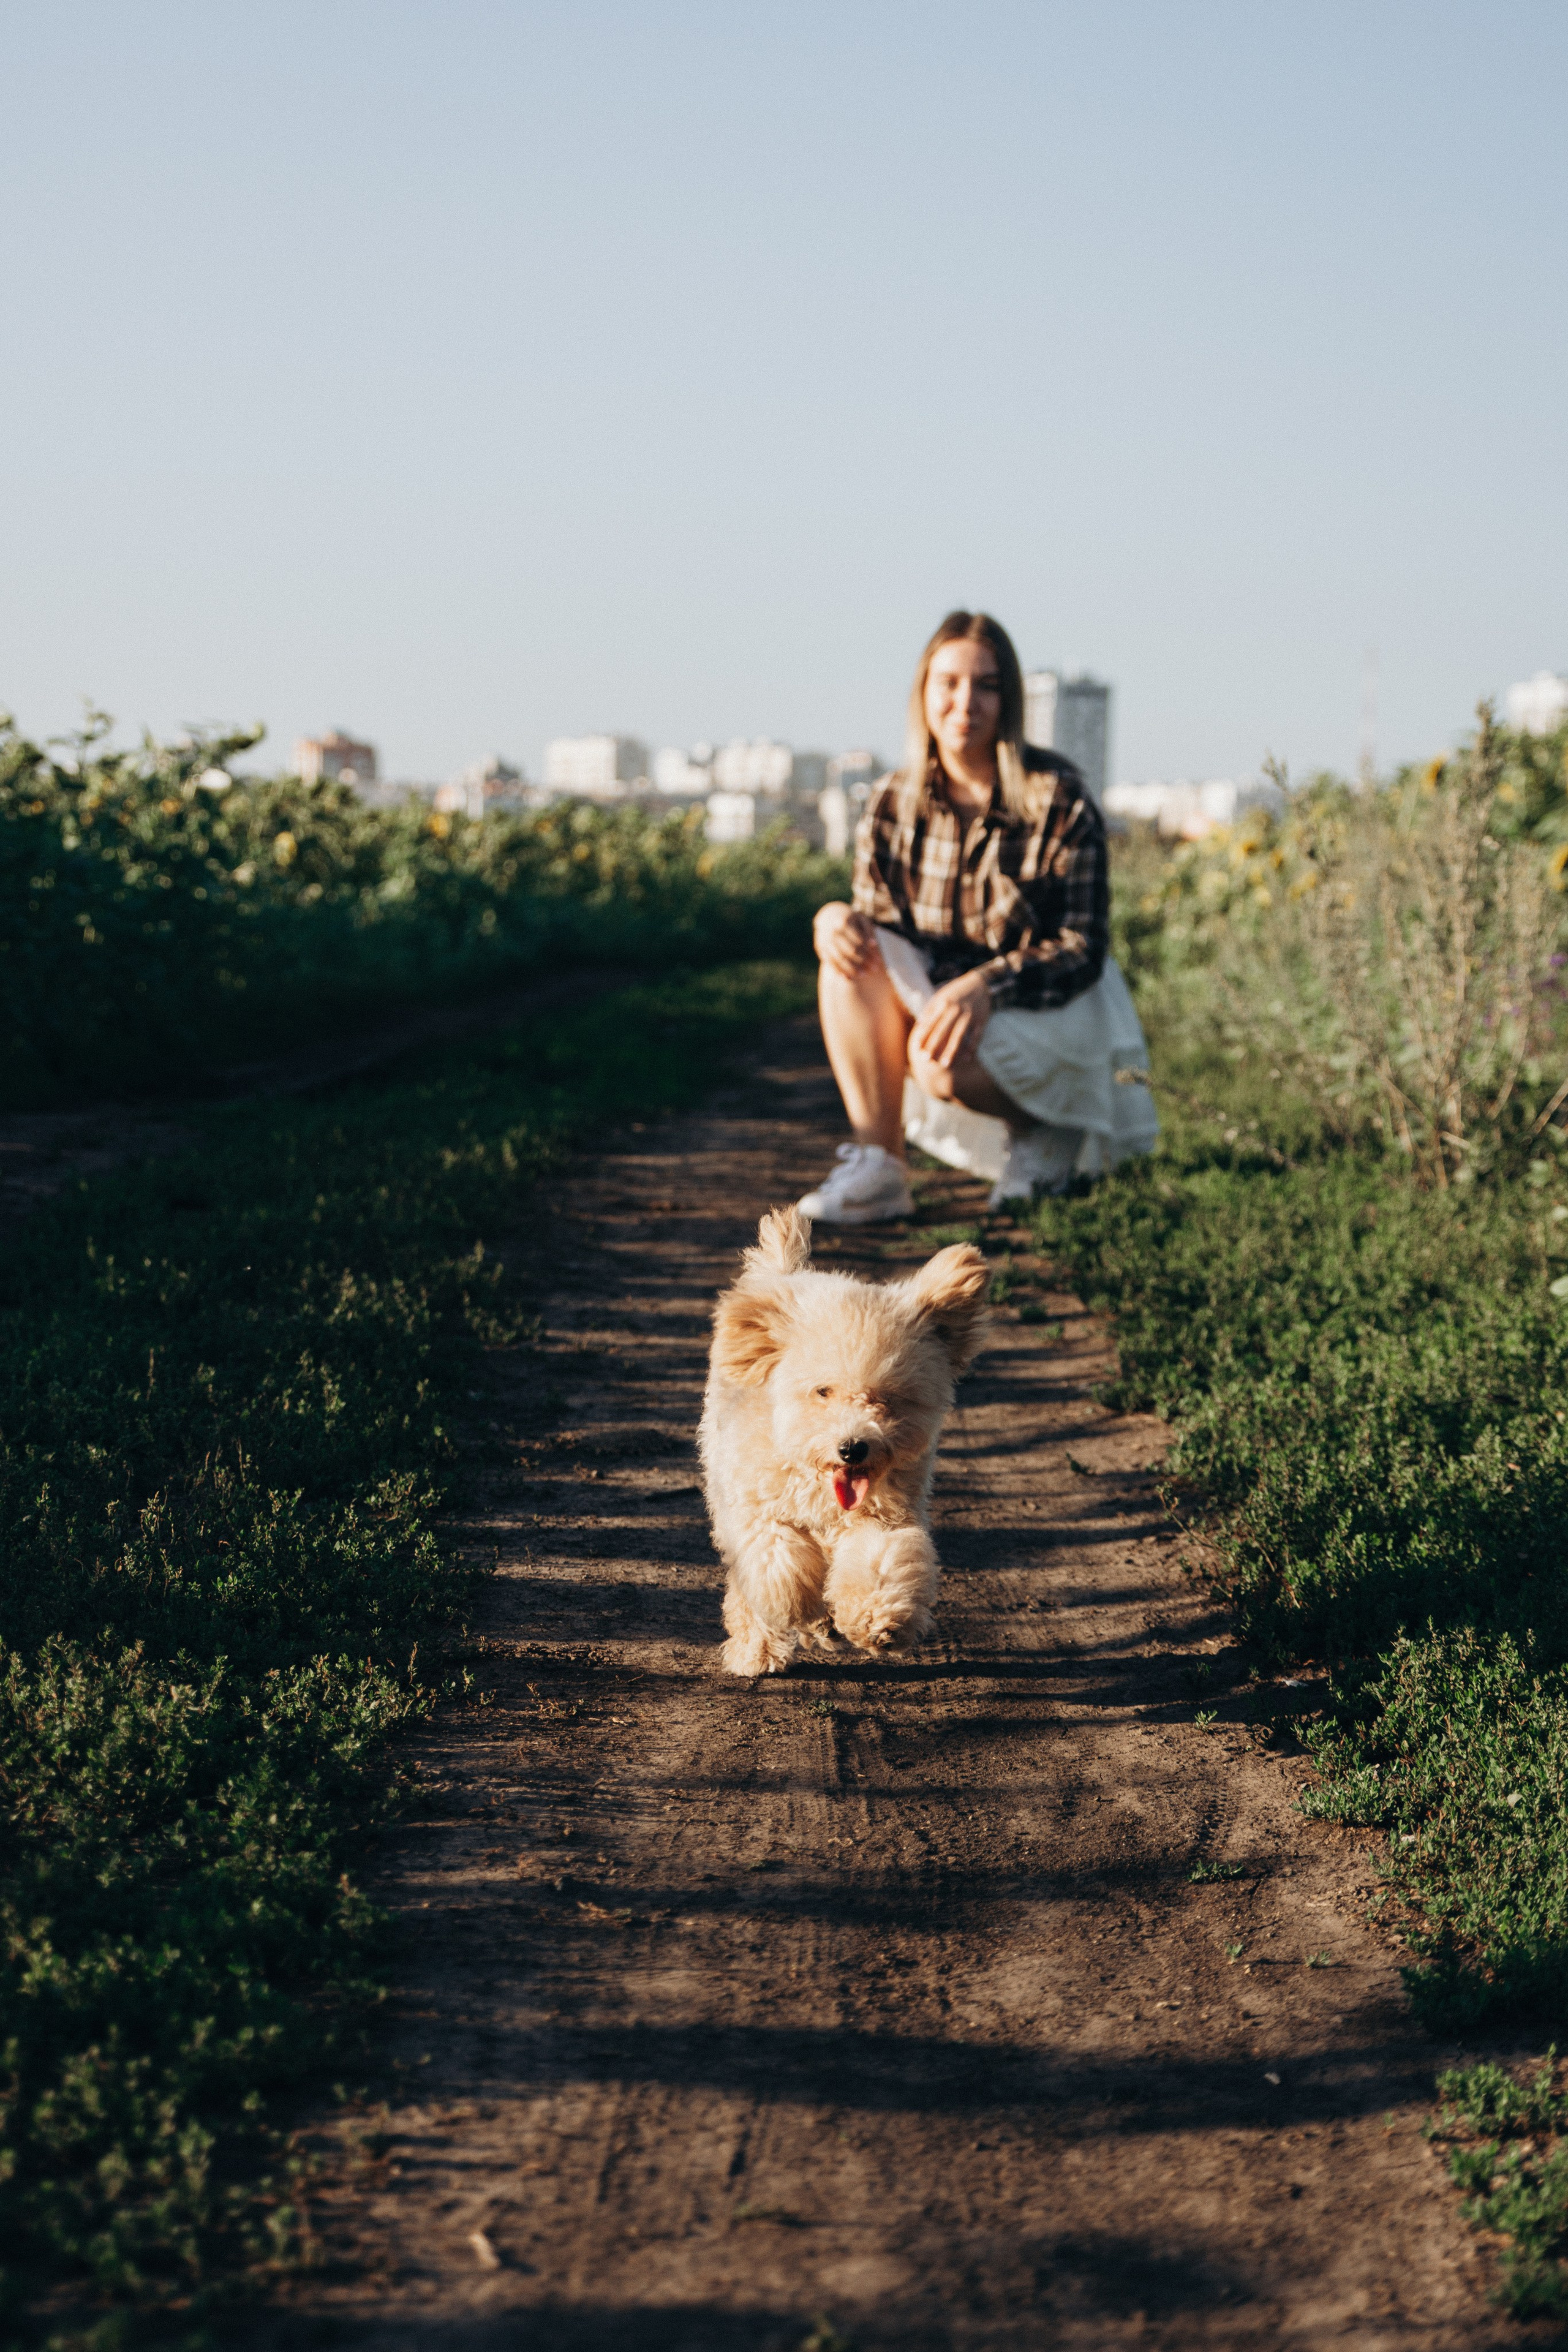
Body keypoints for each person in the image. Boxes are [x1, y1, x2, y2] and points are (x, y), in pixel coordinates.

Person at [799, 609, 1158, 1226]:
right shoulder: (891, 801)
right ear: (924, 694)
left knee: (942, 1061)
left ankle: (1043, 1128)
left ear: (1009, 699)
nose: (966, 701)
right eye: (949, 682)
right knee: (846, 958)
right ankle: (880, 1166)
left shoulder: (1057, 797)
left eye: (986, 685)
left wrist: (984, 987)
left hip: (1048, 1006)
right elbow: (880, 932)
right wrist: (834, 919)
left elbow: (1081, 946)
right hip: (941, 999)